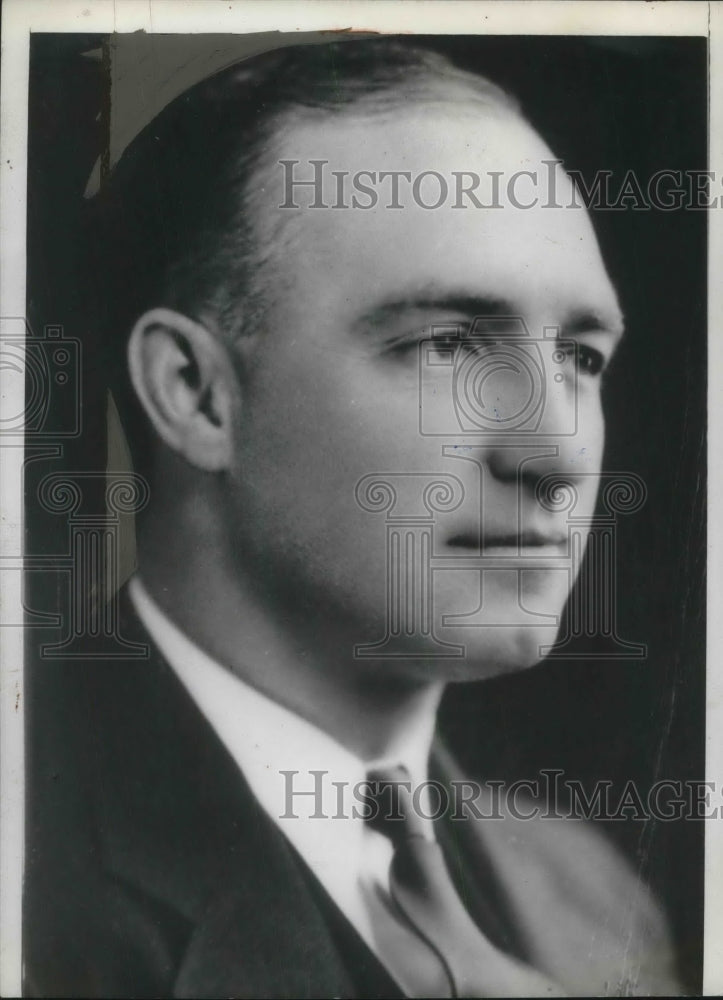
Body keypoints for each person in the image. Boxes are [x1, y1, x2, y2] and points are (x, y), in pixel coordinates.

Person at [24, 39, 682, 997]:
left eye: (581, 357)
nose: (558, 454)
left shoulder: (589, 899)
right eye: (448, 344)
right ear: (197, 394)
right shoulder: (34, 894)